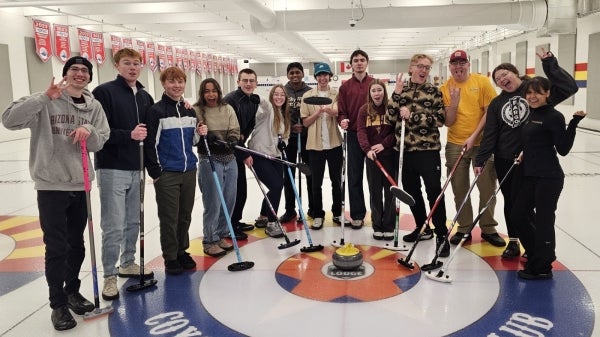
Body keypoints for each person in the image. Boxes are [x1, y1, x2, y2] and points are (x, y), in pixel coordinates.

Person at [2, 56, 109, 331]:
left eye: (85, 71)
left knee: (77, 245)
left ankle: (72, 290)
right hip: (51, 184)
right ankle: (58, 304)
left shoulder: (94, 105)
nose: (80, 74)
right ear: (65, 74)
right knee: (57, 247)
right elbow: (9, 120)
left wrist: (90, 129)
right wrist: (43, 97)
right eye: (74, 69)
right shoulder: (46, 99)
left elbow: (101, 139)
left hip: (80, 183)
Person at [475, 49, 578, 258]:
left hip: (532, 161)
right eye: (498, 79)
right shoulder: (497, 103)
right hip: (506, 160)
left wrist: (550, 63)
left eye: (505, 74)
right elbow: (491, 134)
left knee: (529, 206)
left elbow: (569, 87)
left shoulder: (536, 91)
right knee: (512, 203)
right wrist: (481, 158)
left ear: (516, 73)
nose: (502, 79)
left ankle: (535, 245)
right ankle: (514, 241)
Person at [92, 48, 155, 301]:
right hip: (112, 168)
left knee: (133, 222)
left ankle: (127, 262)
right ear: (117, 65)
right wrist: (127, 135)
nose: (132, 67)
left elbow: (152, 129)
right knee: (113, 225)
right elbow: (99, 131)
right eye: (127, 63)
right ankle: (109, 275)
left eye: (136, 63)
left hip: (136, 168)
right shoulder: (104, 92)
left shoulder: (144, 95)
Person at [511, 77, 585, 280]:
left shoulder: (554, 116)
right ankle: (539, 253)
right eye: (529, 93)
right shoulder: (531, 114)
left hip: (548, 177)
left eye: (537, 92)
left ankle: (543, 267)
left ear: (547, 93)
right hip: (530, 175)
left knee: (544, 221)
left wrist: (574, 124)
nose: (532, 96)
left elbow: (563, 149)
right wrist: (524, 152)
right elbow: (534, 140)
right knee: (517, 215)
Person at [440, 50, 505, 247]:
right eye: (454, 64)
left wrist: (474, 136)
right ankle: (464, 227)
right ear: (450, 67)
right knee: (460, 189)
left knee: (487, 188)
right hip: (455, 144)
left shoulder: (482, 82)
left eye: (462, 63)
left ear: (468, 64)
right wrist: (454, 104)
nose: (458, 67)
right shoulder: (445, 88)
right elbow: (448, 122)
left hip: (483, 145)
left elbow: (490, 113)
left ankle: (488, 228)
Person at [387, 54, 449, 256]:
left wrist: (412, 116)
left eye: (428, 68)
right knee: (412, 192)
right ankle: (423, 228)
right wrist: (396, 95)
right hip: (404, 152)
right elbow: (389, 117)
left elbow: (440, 119)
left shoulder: (433, 92)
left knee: (433, 191)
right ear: (411, 68)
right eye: (420, 66)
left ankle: (441, 234)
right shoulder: (400, 90)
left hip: (427, 150)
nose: (424, 70)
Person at [145, 67, 199, 275]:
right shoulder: (157, 111)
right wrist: (156, 172)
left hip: (189, 170)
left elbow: (193, 140)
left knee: (185, 215)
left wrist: (200, 131)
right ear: (164, 84)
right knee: (169, 216)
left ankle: (181, 250)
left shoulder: (189, 110)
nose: (176, 86)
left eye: (180, 81)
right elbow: (151, 143)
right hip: (168, 172)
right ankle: (170, 255)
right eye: (171, 81)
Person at [194, 78, 239, 257]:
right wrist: (208, 140)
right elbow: (195, 135)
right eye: (207, 91)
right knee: (213, 201)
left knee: (229, 200)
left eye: (214, 91)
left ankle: (221, 234)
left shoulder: (227, 108)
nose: (211, 94)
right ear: (202, 93)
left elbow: (235, 129)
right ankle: (209, 239)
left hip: (229, 158)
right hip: (210, 159)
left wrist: (233, 140)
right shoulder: (197, 110)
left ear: (219, 92)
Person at [301, 62, 343, 230]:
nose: (323, 77)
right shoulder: (308, 96)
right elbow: (305, 122)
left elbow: (339, 112)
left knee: (336, 181)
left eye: (325, 74)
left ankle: (337, 213)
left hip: (334, 144)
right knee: (315, 182)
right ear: (316, 77)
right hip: (314, 146)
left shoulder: (337, 94)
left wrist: (330, 110)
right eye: (320, 75)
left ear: (329, 76)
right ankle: (318, 214)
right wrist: (318, 112)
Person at [247, 84, 290, 237]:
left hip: (275, 156)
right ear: (271, 96)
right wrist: (257, 97)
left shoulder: (284, 114)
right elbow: (264, 103)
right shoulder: (267, 110)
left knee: (276, 186)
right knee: (277, 185)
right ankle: (272, 223)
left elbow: (285, 136)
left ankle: (263, 217)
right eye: (276, 94)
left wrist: (284, 142)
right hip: (260, 154)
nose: (279, 97)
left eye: (282, 95)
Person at [337, 49, 373, 229]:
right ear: (351, 64)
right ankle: (357, 214)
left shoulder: (374, 83)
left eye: (362, 60)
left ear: (367, 63)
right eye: (356, 60)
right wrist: (342, 119)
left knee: (374, 178)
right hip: (352, 136)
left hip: (373, 135)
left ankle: (378, 214)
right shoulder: (345, 87)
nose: (359, 63)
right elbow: (341, 111)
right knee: (354, 176)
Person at [357, 79, 397, 241]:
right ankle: (377, 225)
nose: (376, 93)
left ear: (384, 92)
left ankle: (388, 226)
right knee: (374, 192)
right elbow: (361, 131)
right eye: (373, 91)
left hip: (389, 156)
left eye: (379, 90)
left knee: (390, 192)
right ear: (370, 93)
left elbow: (396, 131)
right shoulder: (364, 110)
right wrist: (367, 150)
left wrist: (384, 144)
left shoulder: (390, 108)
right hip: (372, 158)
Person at [223, 68, 260, 239]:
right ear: (238, 82)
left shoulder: (253, 100)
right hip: (228, 151)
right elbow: (228, 131)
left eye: (251, 80)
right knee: (232, 191)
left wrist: (243, 134)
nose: (248, 83)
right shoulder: (230, 100)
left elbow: (251, 123)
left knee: (241, 190)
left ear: (256, 83)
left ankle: (235, 221)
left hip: (239, 146)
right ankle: (228, 225)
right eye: (245, 80)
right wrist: (244, 153)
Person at [279, 62, 314, 222]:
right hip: (289, 139)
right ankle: (290, 209)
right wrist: (290, 127)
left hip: (307, 138)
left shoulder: (309, 91)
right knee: (289, 175)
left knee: (309, 173)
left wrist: (304, 127)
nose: (294, 75)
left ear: (302, 74)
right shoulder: (283, 91)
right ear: (288, 75)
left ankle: (313, 208)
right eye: (291, 73)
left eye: (297, 72)